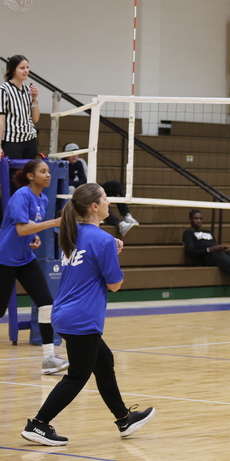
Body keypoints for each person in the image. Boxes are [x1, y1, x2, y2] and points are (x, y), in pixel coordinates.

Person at [21, 183, 155, 446]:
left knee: (104, 362)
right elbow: (114, 284)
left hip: (65, 313)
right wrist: (114, 254)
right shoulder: (102, 240)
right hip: (82, 316)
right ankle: (38, 424)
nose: (108, 203)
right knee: (78, 375)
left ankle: (124, 418)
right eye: (105, 199)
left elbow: (90, 260)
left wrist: (109, 250)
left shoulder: (72, 232)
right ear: (94, 207)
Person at [0, 159, 68, 375]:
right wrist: (53, 223)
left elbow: (28, 229)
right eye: (43, 171)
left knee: (47, 304)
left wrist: (36, 236)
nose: (48, 175)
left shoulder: (43, 198)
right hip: (5, 257)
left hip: (25, 257)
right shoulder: (21, 195)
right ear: (30, 175)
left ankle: (48, 358)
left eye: (48, 171)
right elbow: (20, 229)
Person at [64, 143, 139, 237]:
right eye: (71, 153)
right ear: (65, 155)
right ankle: (119, 224)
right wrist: (78, 184)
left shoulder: (80, 162)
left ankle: (126, 215)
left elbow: (84, 180)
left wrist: (77, 184)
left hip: (85, 188)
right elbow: (68, 183)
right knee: (98, 198)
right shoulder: (62, 164)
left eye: (76, 153)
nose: (74, 156)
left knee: (114, 185)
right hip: (79, 194)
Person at [0, 55, 40, 159]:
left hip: (30, 140)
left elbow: (35, 119)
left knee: (29, 174)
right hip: (12, 141)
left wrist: (34, 99)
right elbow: (1, 120)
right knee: (13, 174)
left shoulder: (28, 90)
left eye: (27, 67)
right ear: (13, 70)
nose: (26, 71)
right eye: (22, 68)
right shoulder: (4, 90)